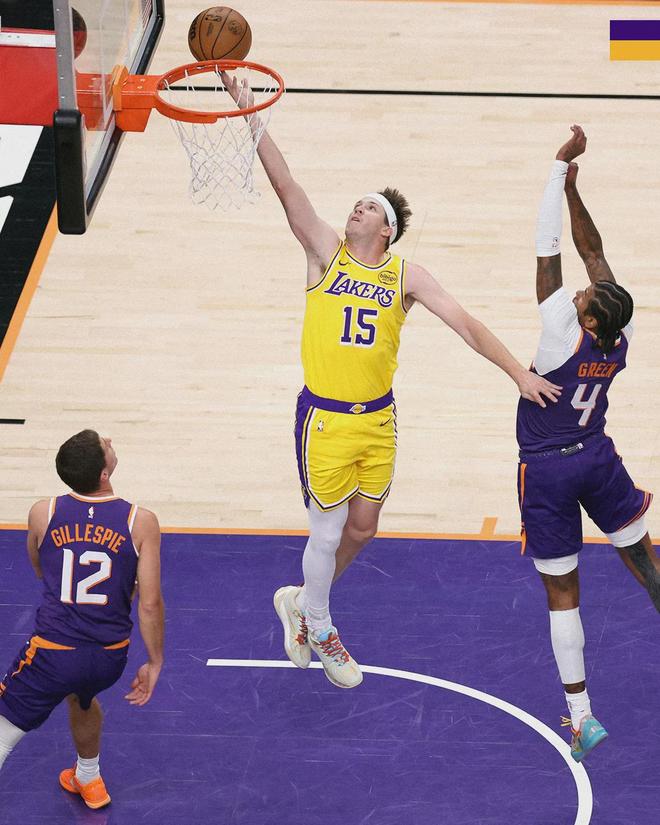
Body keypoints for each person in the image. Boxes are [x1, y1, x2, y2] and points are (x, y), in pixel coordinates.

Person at [223, 75, 561, 690]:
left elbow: (465, 323)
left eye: (369, 207)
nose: (357, 209)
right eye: (355, 204)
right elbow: (286, 185)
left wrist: (518, 373)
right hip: (325, 418)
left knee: (363, 528)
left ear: (386, 230)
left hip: (379, 418)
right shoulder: (324, 252)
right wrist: (249, 109)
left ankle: (299, 601)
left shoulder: (407, 275)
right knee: (327, 529)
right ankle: (321, 625)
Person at [517, 124, 659, 762]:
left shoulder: (559, 330)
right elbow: (593, 252)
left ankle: (582, 717)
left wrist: (557, 169)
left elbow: (548, 248)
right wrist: (577, 191)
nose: (579, 288)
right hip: (598, 461)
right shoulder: (617, 337)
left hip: (549, 471)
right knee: (646, 566)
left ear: (589, 316)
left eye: (585, 295)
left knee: (563, 593)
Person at [0, 430, 164, 809]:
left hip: (53, 654)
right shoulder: (141, 522)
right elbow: (150, 602)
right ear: (104, 474)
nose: (110, 439)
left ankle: (87, 774)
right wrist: (155, 662)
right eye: (105, 444)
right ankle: (88, 777)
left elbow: (42, 569)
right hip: (108, 657)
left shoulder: (43, 512)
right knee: (82, 697)